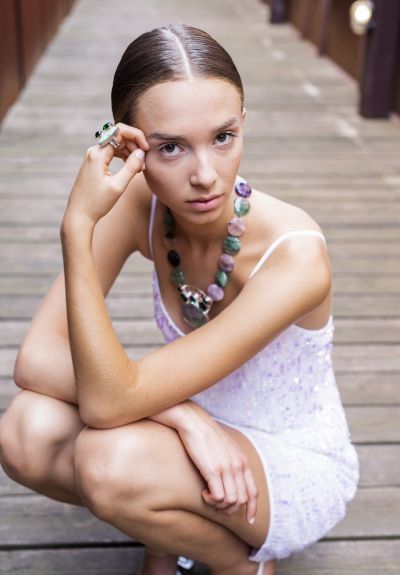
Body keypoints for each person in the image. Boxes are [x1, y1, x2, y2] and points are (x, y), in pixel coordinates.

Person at [0, 24, 359, 575]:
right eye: (170, 147)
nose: (205, 175)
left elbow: (109, 404)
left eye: (224, 136)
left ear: (243, 123)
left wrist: (146, 403)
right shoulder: (140, 206)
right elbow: (35, 359)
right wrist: (78, 226)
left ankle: (238, 564)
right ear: (129, 146)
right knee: (26, 431)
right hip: (192, 436)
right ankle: (167, 527)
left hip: (288, 461)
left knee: (106, 459)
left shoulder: (295, 256)